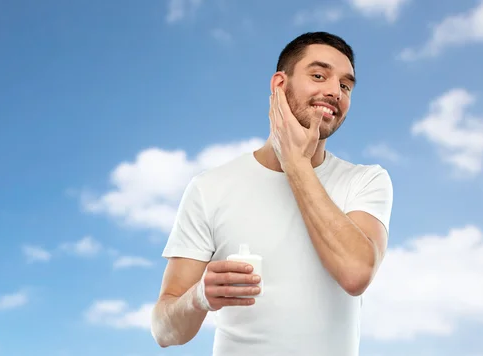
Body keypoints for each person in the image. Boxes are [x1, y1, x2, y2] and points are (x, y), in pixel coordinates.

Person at [150, 31, 394, 356]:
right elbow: (164, 331)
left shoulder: (365, 181)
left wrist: (295, 162)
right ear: (280, 84)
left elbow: (356, 274)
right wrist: (199, 297)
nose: (335, 91)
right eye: (319, 75)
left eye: (345, 85)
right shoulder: (210, 188)